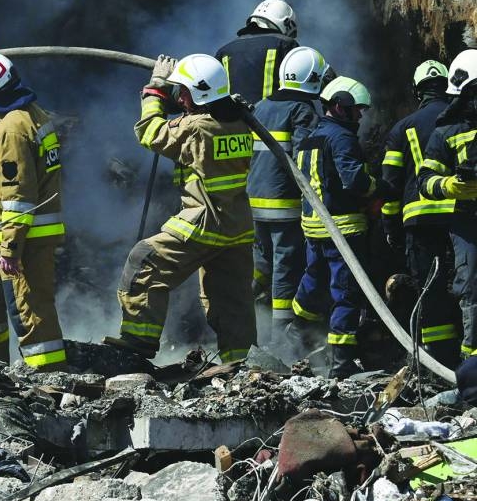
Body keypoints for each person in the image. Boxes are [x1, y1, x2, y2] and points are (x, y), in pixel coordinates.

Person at [113, 54, 255, 364]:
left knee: (144, 261)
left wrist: (155, 88)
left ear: (197, 94)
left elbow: (149, 132)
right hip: (238, 226)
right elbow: (197, 115)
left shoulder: (197, 128)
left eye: (183, 92)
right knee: (232, 300)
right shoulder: (239, 120)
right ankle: (239, 363)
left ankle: (138, 341)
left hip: (205, 221)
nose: (180, 97)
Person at [0, 52, 67, 371]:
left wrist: (11, 249)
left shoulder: (11, 128)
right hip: (6, 235)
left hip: (24, 236)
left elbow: (18, 195)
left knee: (30, 312)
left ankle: (49, 379)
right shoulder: (26, 114)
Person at [292, 77, 390, 377]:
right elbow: (353, 180)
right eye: (356, 110)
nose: (360, 116)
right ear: (340, 106)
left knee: (312, 282)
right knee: (346, 294)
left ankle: (297, 336)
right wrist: (379, 186)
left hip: (314, 228)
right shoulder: (341, 138)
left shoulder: (310, 137)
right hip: (343, 230)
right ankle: (341, 363)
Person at [381, 59, 459, 365]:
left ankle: (438, 360)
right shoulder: (463, 119)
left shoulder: (401, 129)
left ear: (417, 91)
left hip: (420, 221)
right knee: (465, 285)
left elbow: (390, 184)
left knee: (431, 290)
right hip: (459, 216)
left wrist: (390, 227)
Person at [248, 46, 326, 342]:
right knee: (285, 267)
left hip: (253, 202)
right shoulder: (302, 111)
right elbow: (306, 159)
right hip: (284, 204)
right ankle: (280, 337)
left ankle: (249, 321)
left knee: (260, 264)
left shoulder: (260, 105)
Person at [418, 49, 477, 360]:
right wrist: (451, 186)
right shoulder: (447, 132)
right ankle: (472, 368)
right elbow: (424, 180)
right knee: (472, 289)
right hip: (468, 223)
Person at [215, 0, 299, 103]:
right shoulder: (286, 44)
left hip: (232, 118)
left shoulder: (224, 51)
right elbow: (298, 90)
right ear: (286, 23)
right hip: (273, 118)